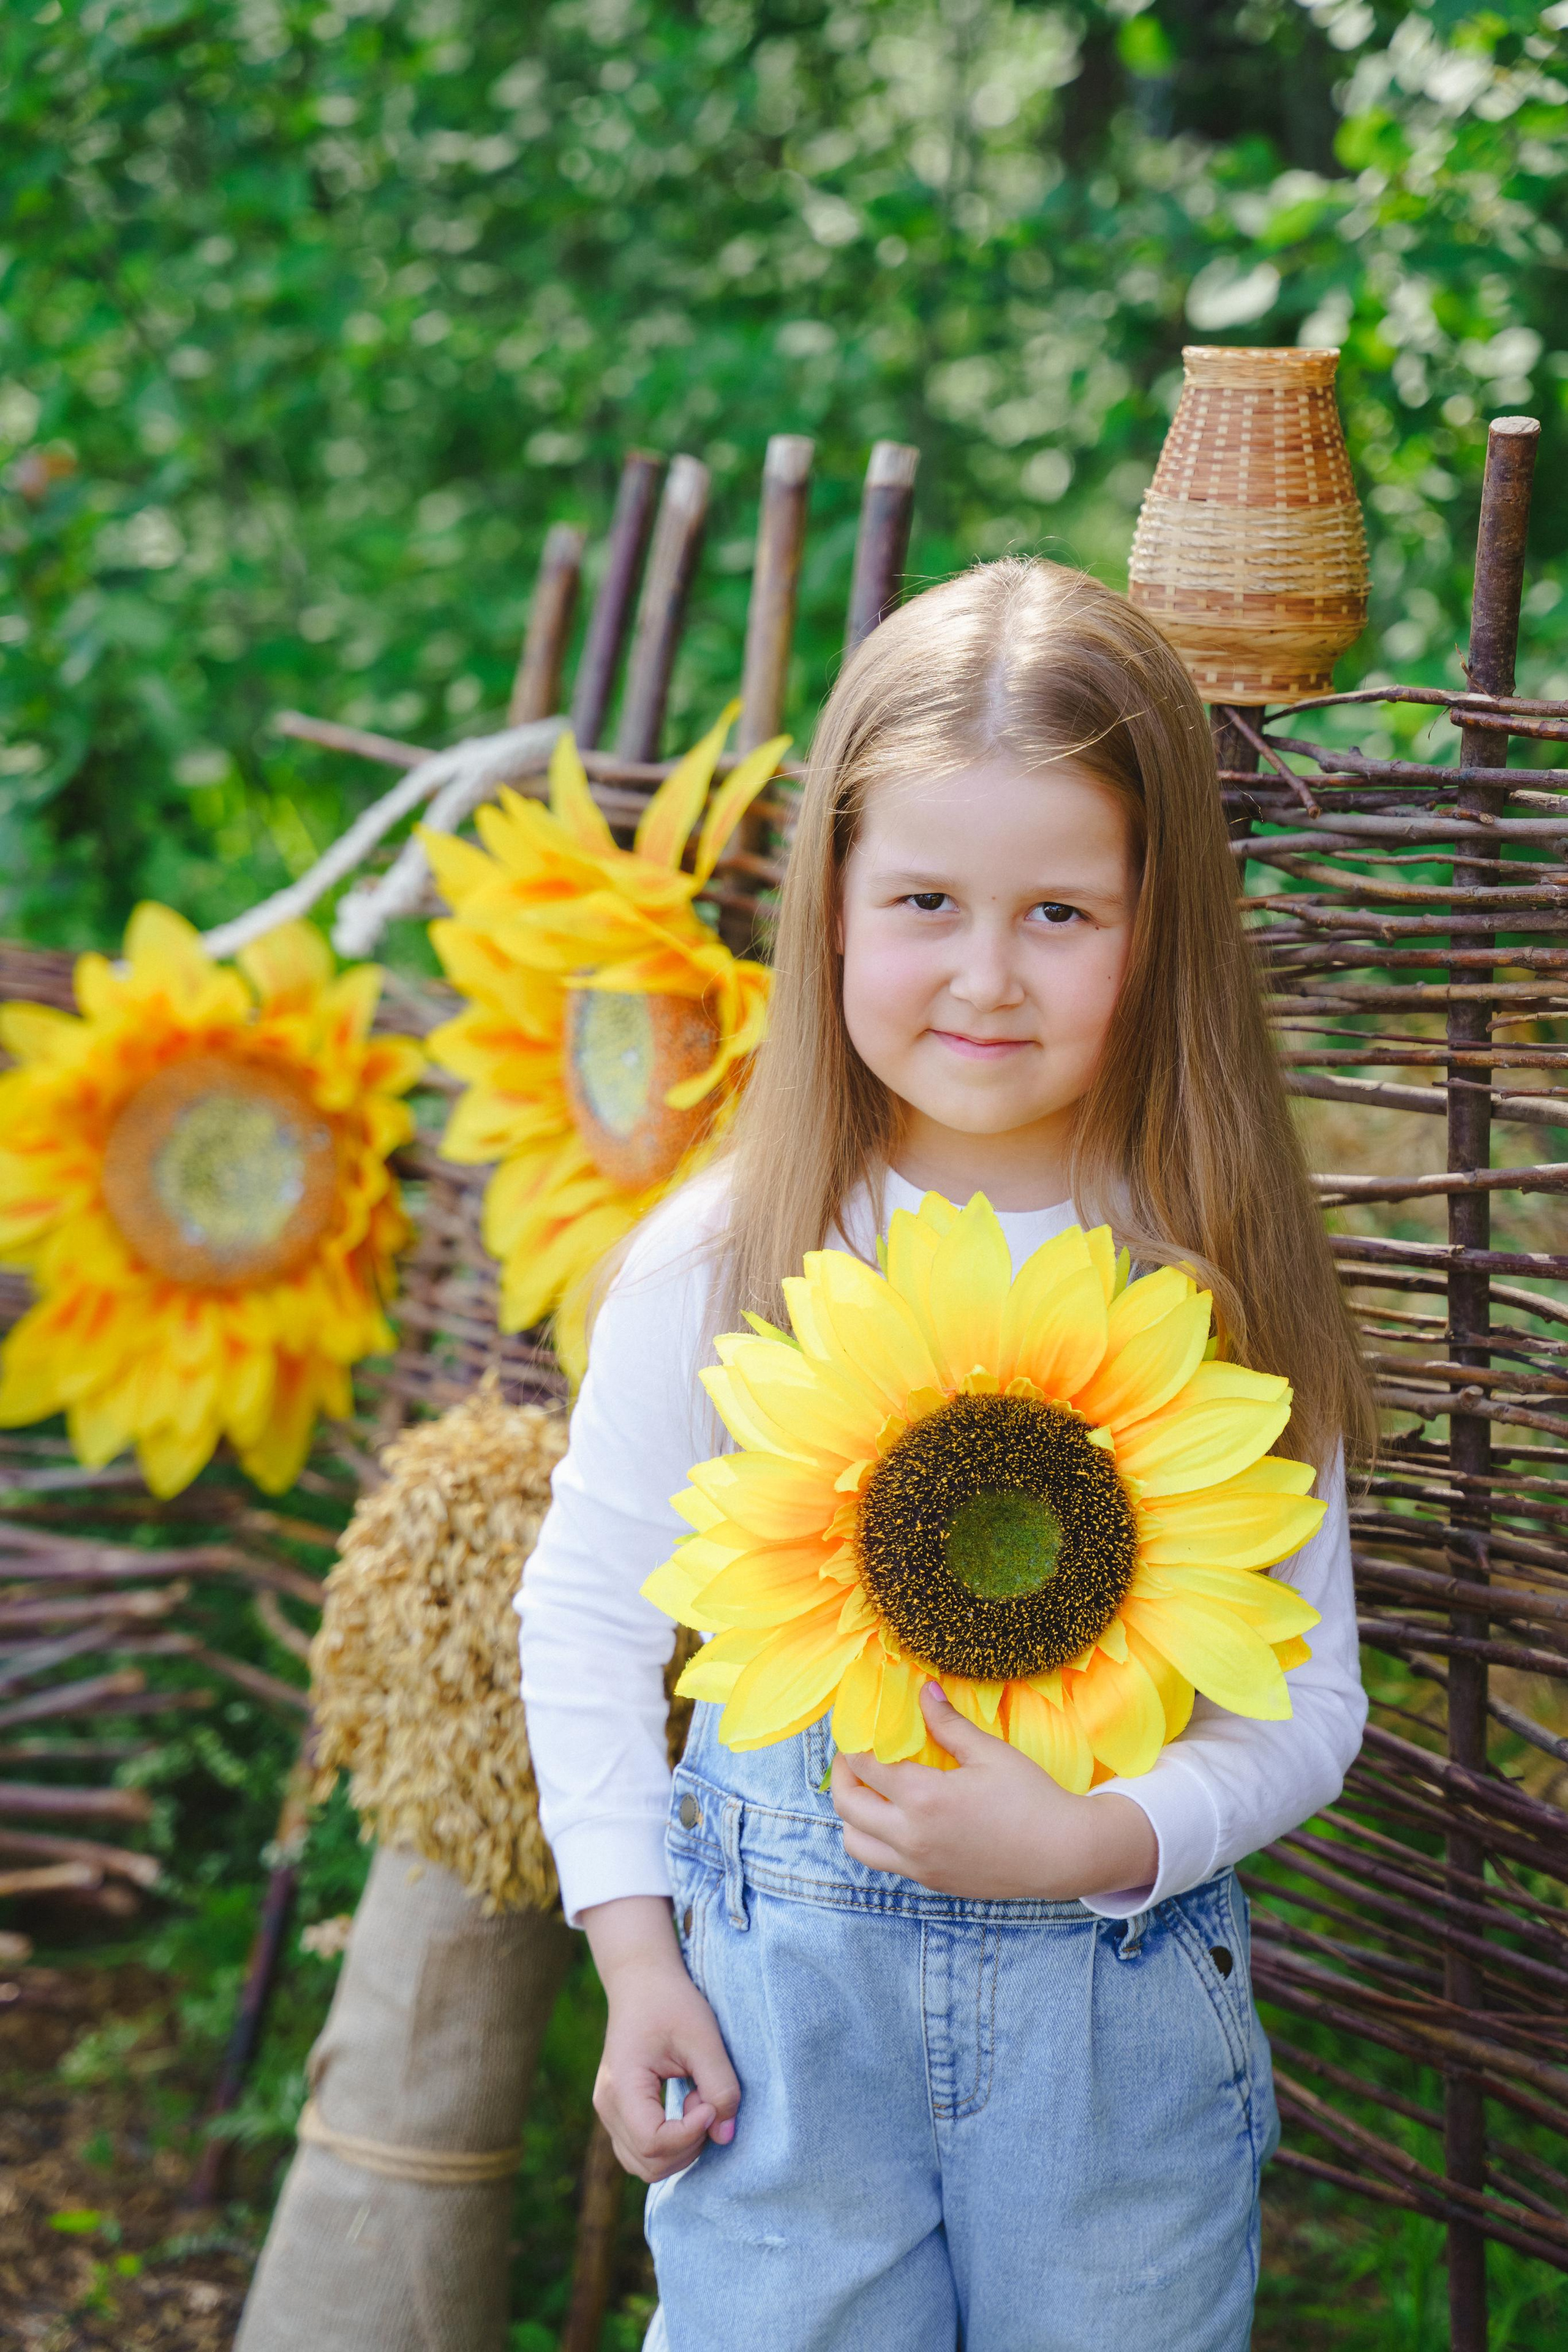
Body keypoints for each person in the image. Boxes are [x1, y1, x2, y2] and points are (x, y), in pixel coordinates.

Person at [519, 557, 1373, 2352]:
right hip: (779, 2030)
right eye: (926, 899)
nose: (988, 976)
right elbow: (592, 1609)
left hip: (1116, 2033)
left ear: (1165, 930)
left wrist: (1103, 1838)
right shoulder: (726, 1258)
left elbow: (1308, 1710)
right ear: (829, 907)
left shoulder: (1206, 1277)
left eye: (1061, 912)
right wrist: (635, 1951)